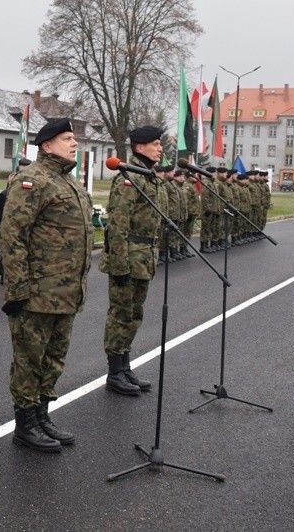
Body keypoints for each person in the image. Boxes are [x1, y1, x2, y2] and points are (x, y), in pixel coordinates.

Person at [0, 118, 93, 453]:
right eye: (67, 138)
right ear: (47, 145)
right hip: (37, 292)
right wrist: (17, 289)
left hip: (66, 292)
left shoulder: (70, 183)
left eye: (74, 138)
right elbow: (12, 236)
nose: (74, 143)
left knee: (53, 359)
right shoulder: (32, 180)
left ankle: (41, 415)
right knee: (29, 359)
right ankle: (25, 424)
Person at [98, 125, 166, 396]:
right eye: (156, 143)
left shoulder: (148, 176)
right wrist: (119, 264)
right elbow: (117, 226)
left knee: (135, 315)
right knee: (121, 315)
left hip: (144, 258)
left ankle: (124, 366)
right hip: (128, 258)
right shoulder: (128, 179)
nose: (160, 148)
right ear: (139, 147)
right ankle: (114, 372)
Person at [183, 171, 201, 257]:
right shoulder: (187, 186)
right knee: (186, 232)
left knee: (188, 232)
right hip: (189, 213)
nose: (195, 178)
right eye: (193, 176)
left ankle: (184, 249)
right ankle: (182, 250)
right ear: (188, 177)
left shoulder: (191, 186)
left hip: (192, 213)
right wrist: (189, 213)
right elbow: (186, 201)